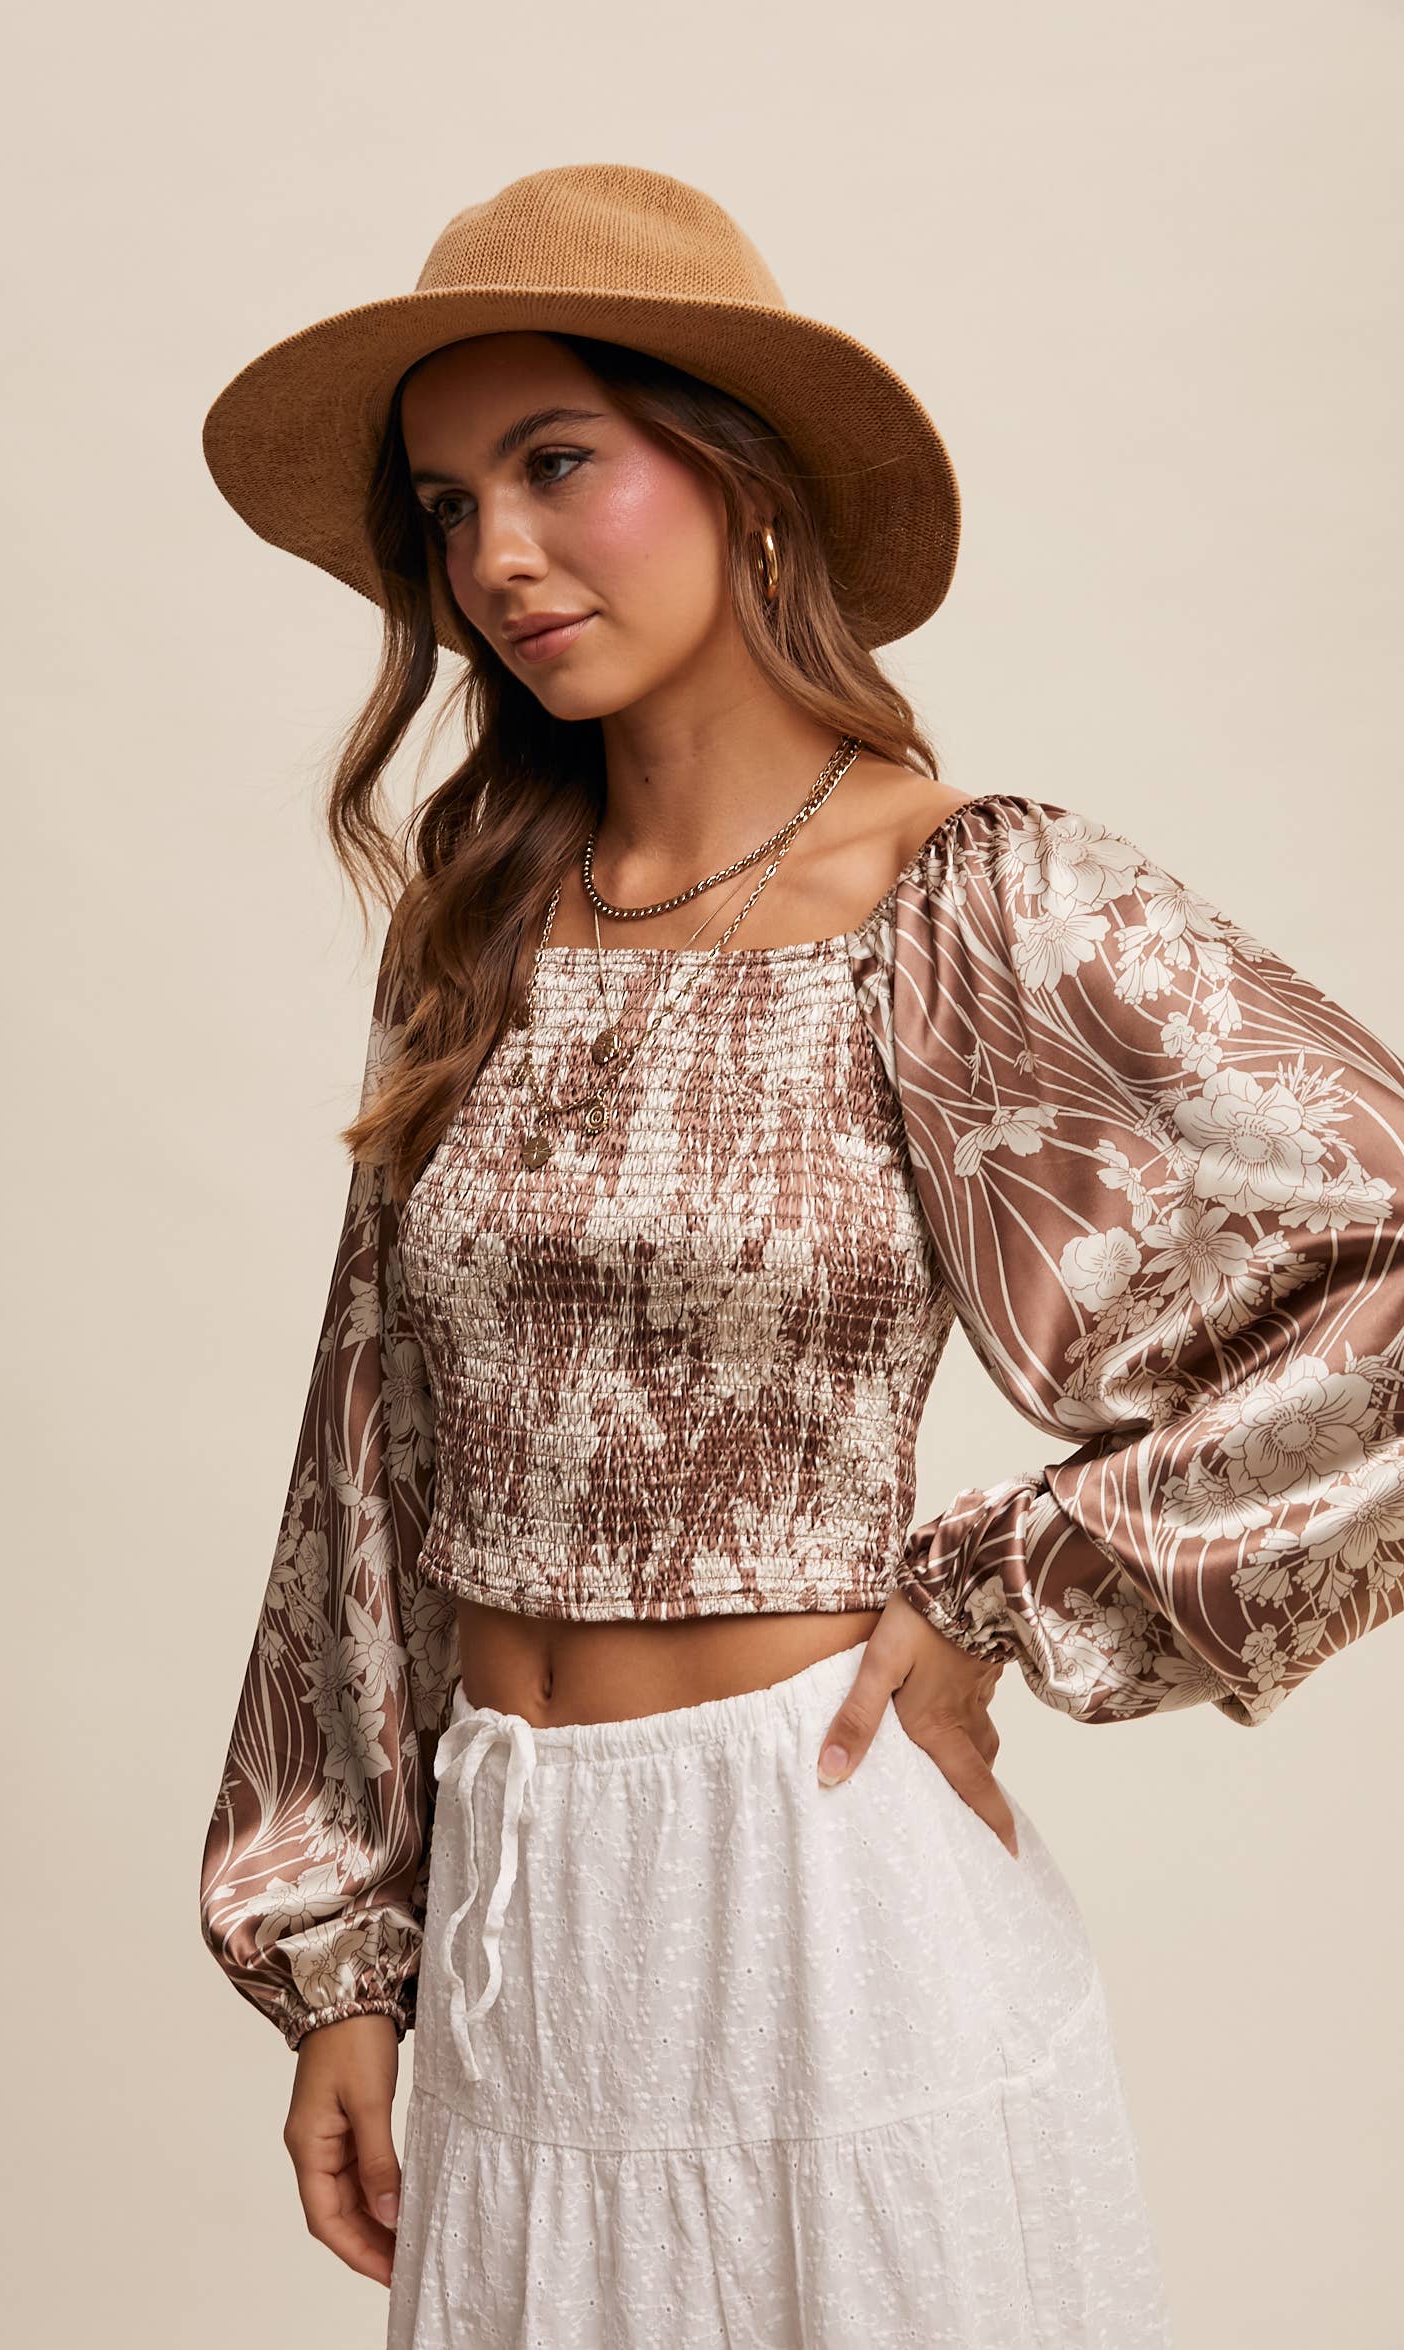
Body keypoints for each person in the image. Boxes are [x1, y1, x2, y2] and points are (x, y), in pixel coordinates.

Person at [196, 163, 1404, 2348]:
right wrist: (334, 1957)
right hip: (518, 1919)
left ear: (739, 478)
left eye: (559, 462)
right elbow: (356, 1469)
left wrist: (1013, 1588)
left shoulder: (966, 902)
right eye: (448, 503)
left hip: (825, 1882)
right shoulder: (470, 926)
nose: (496, 555)